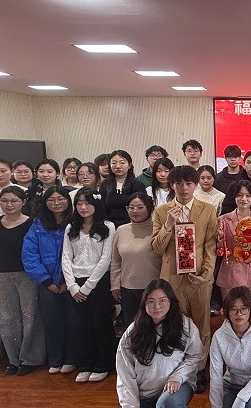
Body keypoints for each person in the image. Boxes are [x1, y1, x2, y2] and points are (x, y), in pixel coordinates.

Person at [115, 279, 203, 408]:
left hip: (175, 389)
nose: (157, 306)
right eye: (151, 301)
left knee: (168, 402)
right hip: (145, 397)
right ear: (144, 304)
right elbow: (124, 376)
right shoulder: (132, 333)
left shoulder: (185, 325)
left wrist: (178, 376)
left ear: (171, 301)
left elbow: (195, 355)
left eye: (162, 300)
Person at [152, 165, 218, 392]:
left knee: (201, 325)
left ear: (195, 185)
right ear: (172, 185)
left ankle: (199, 369)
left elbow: (210, 245)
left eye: (189, 183)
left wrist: (206, 275)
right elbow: (156, 248)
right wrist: (168, 225)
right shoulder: (162, 211)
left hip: (198, 277)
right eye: (178, 183)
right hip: (171, 279)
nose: (184, 188)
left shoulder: (207, 209)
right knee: (175, 325)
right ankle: (179, 369)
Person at [62, 188, 116, 383]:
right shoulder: (71, 227)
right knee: (80, 325)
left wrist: (87, 286)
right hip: (75, 283)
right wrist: (72, 286)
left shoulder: (108, 226)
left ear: (96, 204)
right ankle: (86, 364)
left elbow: (106, 258)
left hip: (98, 282)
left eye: (87, 203)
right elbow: (66, 257)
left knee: (100, 324)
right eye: (79, 203)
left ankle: (103, 364)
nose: (83, 207)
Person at [0, 186, 43, 375]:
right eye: (4, 201)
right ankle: (14, 359)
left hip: (27, 275)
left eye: (14, 200)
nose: (9, 204)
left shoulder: (32, 223)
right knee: (6, 318)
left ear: (23, 202)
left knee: (31, 317)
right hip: (3, 275)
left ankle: (31, 359)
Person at [23, 187, 74, 374]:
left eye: (60, 199)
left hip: (71, 282)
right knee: (52, 322)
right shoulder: (38, 225)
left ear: (68, 200)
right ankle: (55, 359)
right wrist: (46, 281)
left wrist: (68, 281)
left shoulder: (75, 222)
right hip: (47, 282)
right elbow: (29, 255)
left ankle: (71, 358)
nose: (56, 203)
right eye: (51, 200)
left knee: (72, 320)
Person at [217, 181, 251, 314]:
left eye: (248, 195)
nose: (244, 199)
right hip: (230, 271)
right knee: (231, 311)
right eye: (239, 195)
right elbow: (219, 248)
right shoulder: (223, 219)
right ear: (234, 197)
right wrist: (220, 238)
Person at [111, 192, 162, 328]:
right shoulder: (121, 230)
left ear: (149, 208)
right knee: (132, 327)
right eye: (131, 207)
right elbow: (115, 261)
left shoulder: (157, 229)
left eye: (140, 207)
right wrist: (115, 285)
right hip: (128, 289)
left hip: (154, 287)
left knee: (155, 326)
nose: (135, 211)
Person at [100, 150, 145, 228]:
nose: (118, 166)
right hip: (109, 227)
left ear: (129, 165)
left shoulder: (137, 184)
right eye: (114, 163)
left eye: (122, 163)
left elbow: (142, 209)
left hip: (132, 226)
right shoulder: (105, 184)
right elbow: (101, 208)